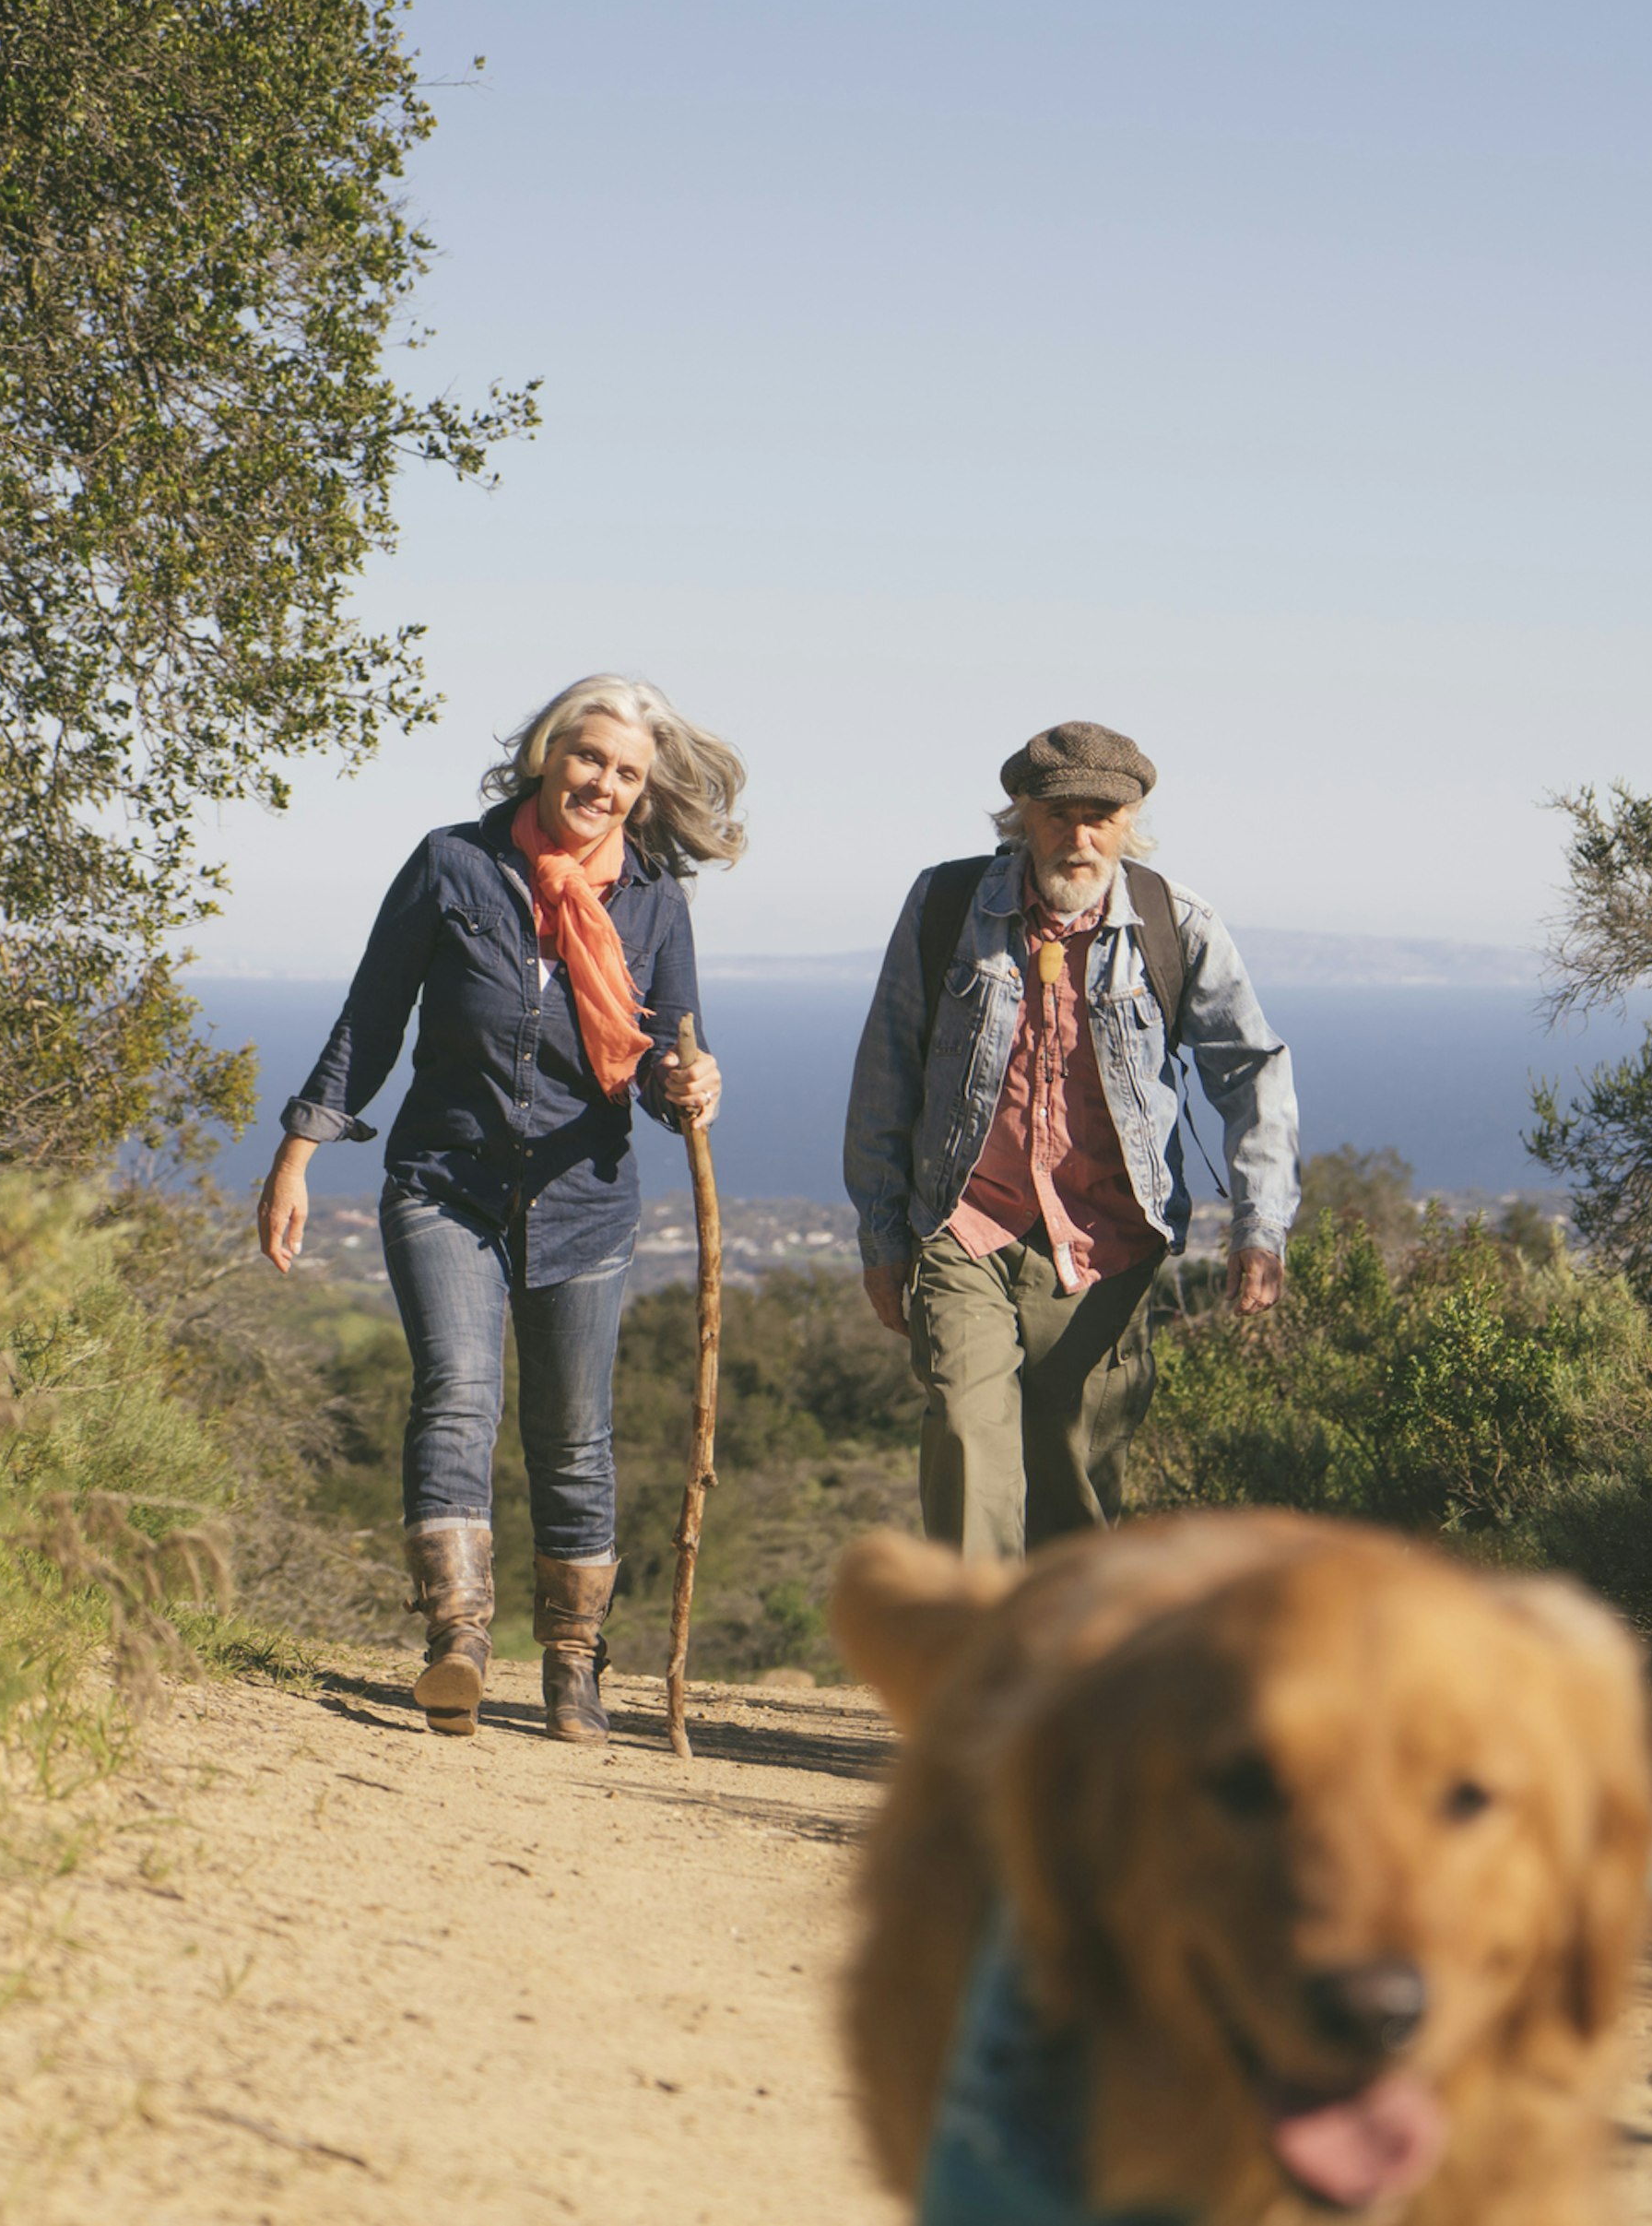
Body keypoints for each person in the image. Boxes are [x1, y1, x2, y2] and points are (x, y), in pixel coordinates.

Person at [260, 675, 742, 1744]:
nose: (604, 784)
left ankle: (574, 1667)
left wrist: (689, 1083)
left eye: (626, 772)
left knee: (574, 1439)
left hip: (586, 1203)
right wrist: (299, 1152)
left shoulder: (656, 900)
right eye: (588, 758)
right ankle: (458, 1644)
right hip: (445, 1183)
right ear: (545, 753)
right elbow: (371, 1017)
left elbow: (668, 1056)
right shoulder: (453, 864)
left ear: (644, 789)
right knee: (457, 1396)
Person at [842, 720, 1298, 1559]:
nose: (1078, 836)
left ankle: (1058, 1678)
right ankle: (974, 1673)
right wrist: (881, 1237)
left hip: (1107, 1246)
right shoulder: (948, 907)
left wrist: (1259, 1225)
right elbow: (886, 1072)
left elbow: (1252, 1071)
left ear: (1129, 820)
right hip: (965, 1228)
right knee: (968, 1436)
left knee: (1072, 1489)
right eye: (1058, 813)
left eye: (1100, 814)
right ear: (1021, 816)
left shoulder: (1176, 923)